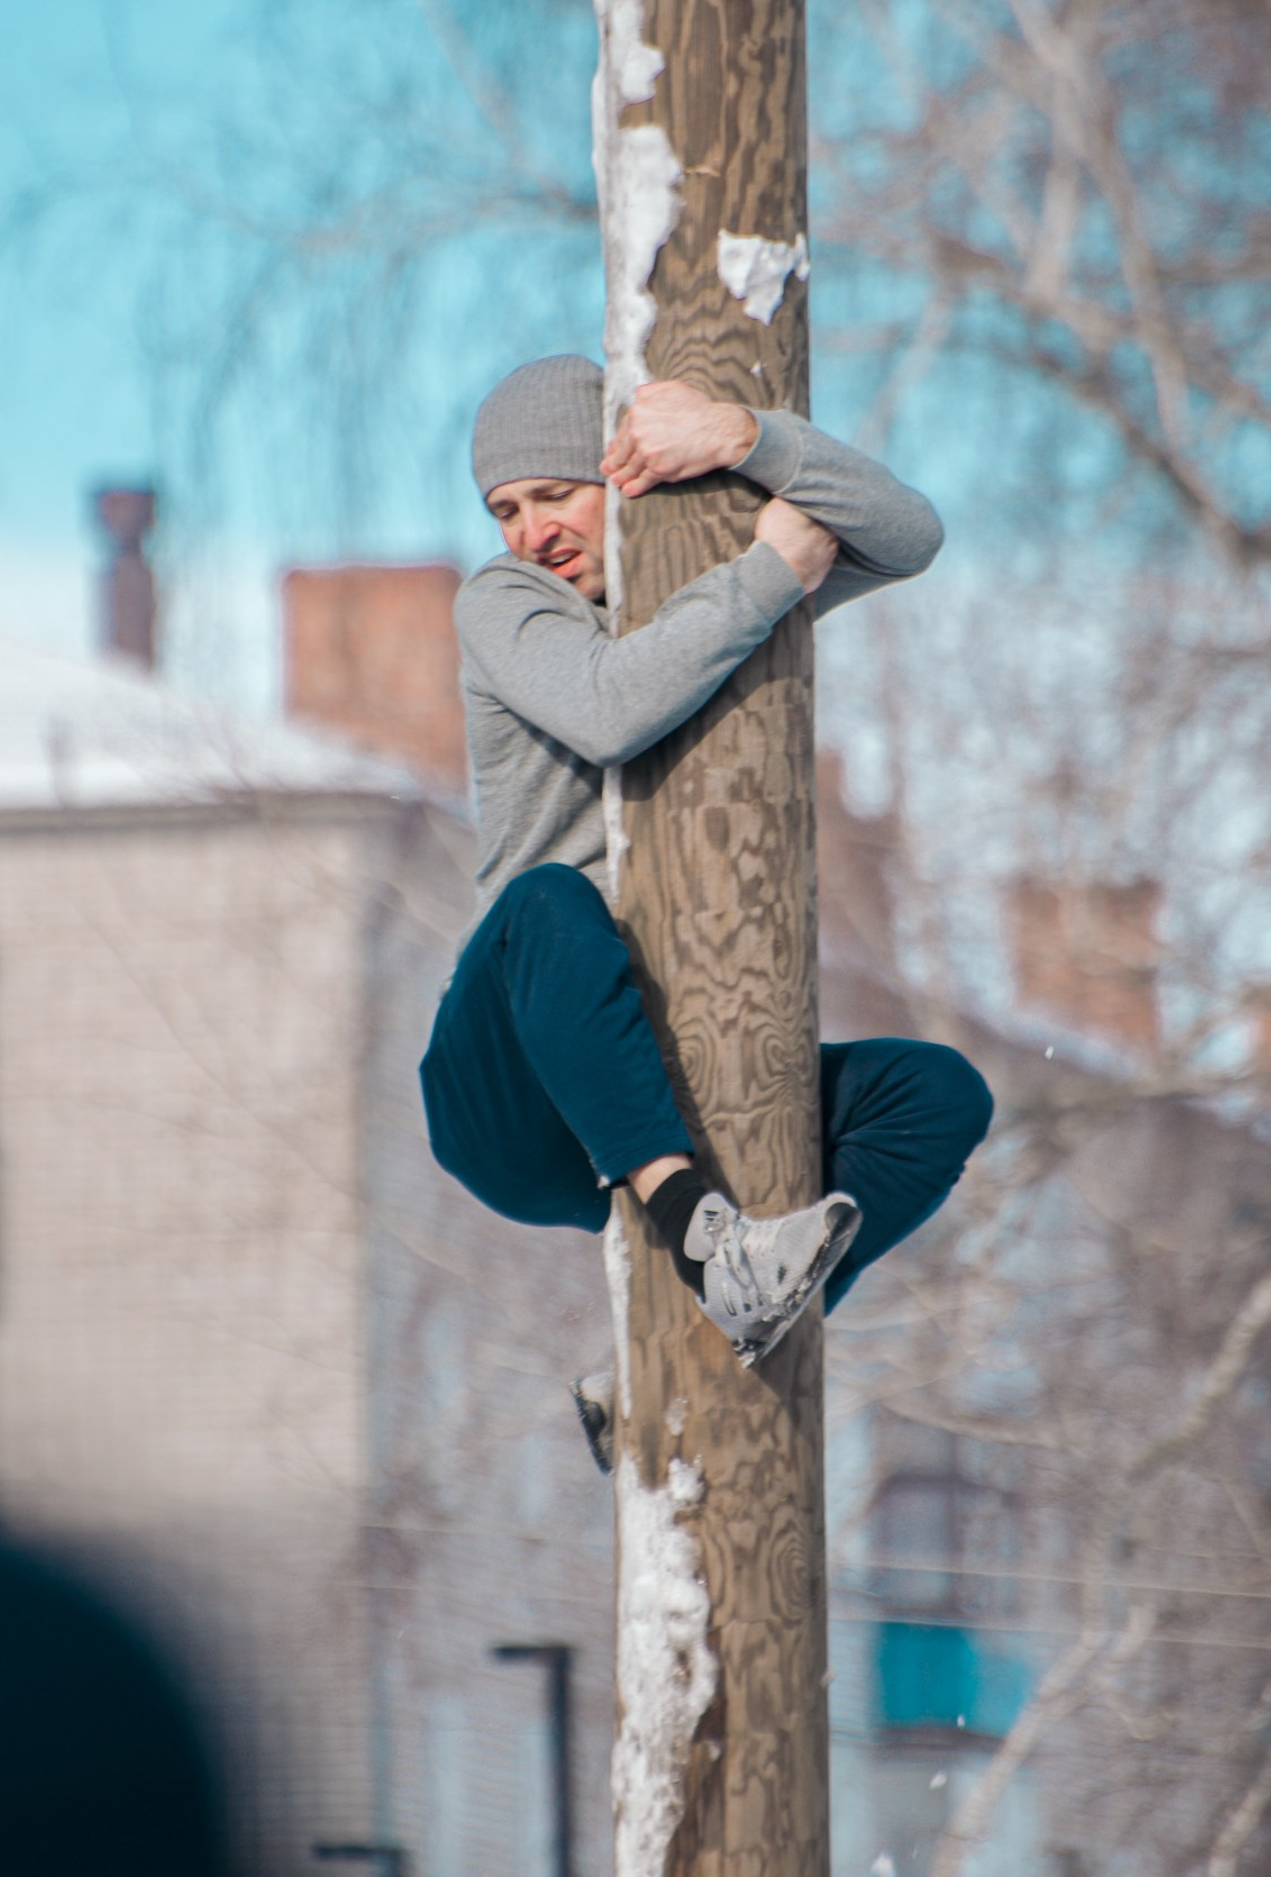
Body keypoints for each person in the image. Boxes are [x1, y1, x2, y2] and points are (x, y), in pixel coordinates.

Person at [419, 356, 993, 1453]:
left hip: (667, 1072)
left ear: (628, 471)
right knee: (548, 903)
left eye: (554, 494)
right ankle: (707, 1247)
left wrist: (742, 438)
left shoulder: (705, 582)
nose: (529, 531)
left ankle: (691, 1337)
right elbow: (608, 708)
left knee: (936, 1092)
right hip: (519, 1079)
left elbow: (907, 535)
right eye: (506, 509)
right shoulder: (503, 602)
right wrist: (771, 572)